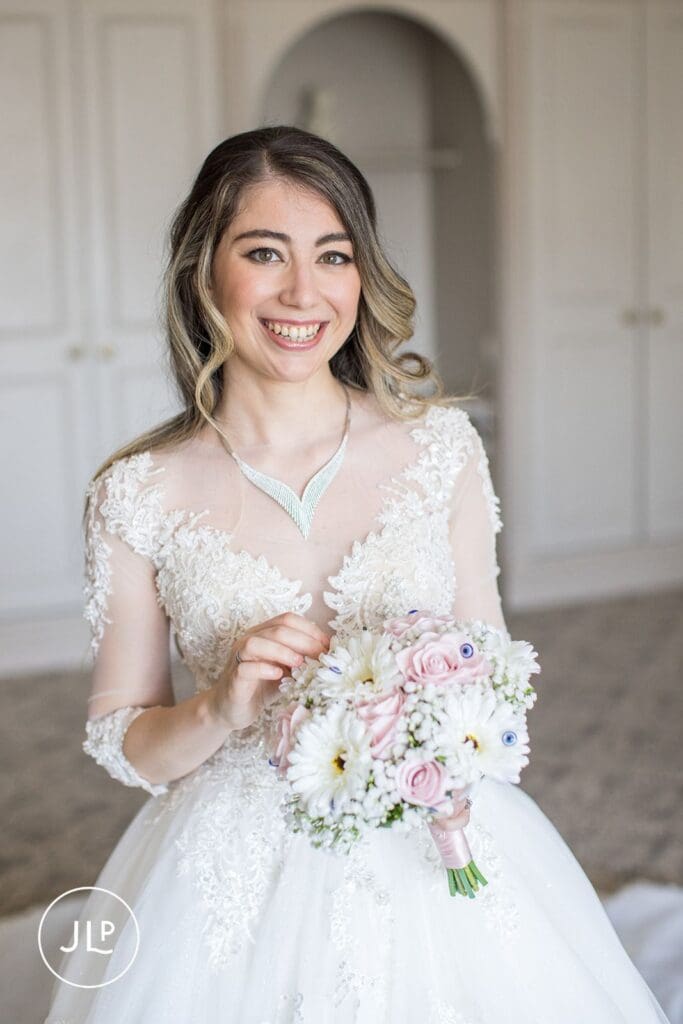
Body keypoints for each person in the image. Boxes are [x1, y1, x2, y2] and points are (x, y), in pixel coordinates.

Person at [44, 126, 670, 1023]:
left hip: (432, 831)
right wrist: (219, 707)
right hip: (231, 864)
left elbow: (494, 672)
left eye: (332, 256)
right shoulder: (138, 492)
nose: (303, 292)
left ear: (361, 275)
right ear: (202, 271)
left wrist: (432, 710)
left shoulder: (439, 447)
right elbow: (124, 740)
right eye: (264, 253)